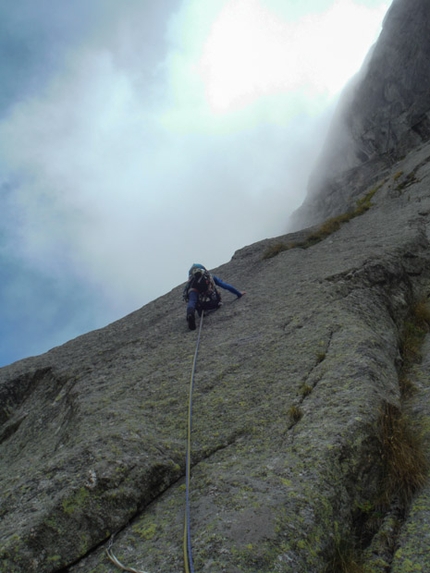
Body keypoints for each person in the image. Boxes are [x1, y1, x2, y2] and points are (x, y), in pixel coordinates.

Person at [183, 263, 245, 330]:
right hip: (207, 288)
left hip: (194, 289)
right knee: (217, 303)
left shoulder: (191, 282)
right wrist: (238, 293)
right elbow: (225, 285)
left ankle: (190, 314)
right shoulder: (210, 277)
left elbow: (189, 297)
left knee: (192, 300)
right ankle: (203, 307)